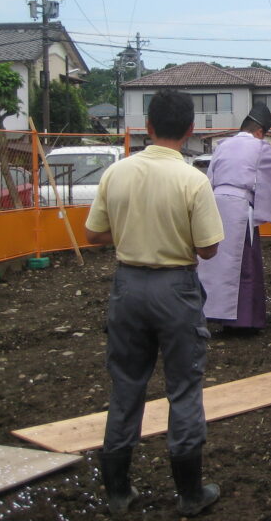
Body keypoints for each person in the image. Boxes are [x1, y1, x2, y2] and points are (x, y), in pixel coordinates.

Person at [84, 90, 225, 517]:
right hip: (175, 289)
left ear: (147, 127)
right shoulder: (192, 180)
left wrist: (131, 233)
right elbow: (208, 250)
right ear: (190, 131)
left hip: (127, 286)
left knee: (126, 384)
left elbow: (94, 234)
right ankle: (188, 494)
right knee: (183, 388)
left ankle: (119, 493)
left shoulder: (117, 173)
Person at [197, 103, 271, 332]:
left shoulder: (222, 145)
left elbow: (209, 178)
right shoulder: (259, 147)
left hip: (216, 203)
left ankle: (211, 314)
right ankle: (242, 322)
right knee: (243, 265)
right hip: (239, 207)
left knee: (214, 264)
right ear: (260, 131)